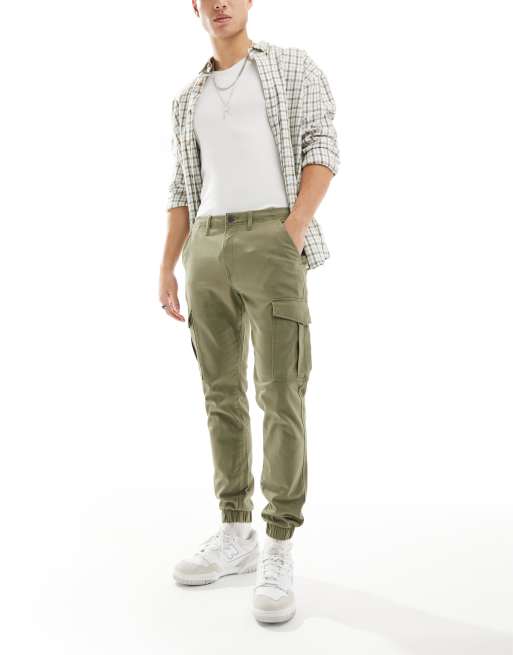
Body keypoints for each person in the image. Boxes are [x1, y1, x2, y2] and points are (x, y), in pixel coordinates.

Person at [159, 0, 340, 624]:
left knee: (280, 390)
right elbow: (182, 186)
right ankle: (235, 532)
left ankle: (278, 543)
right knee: (220, 393)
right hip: (206, 245)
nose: (219, 3)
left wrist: (294, 227)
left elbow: (323, 144)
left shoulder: (291, 67)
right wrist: (168, 265)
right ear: (193, 6)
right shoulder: (187, 98)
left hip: (273, 237)